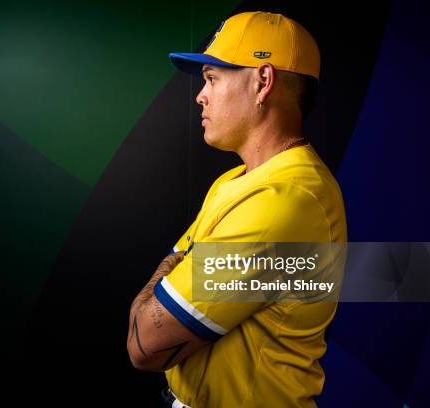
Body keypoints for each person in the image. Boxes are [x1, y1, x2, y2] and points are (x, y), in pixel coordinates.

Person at [126, 11, 347, 408]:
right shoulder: (235, 181)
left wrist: (169, 274)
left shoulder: (286, 198)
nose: (200, 95)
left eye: (212, 78)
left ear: (263, 82)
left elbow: (145, 344)